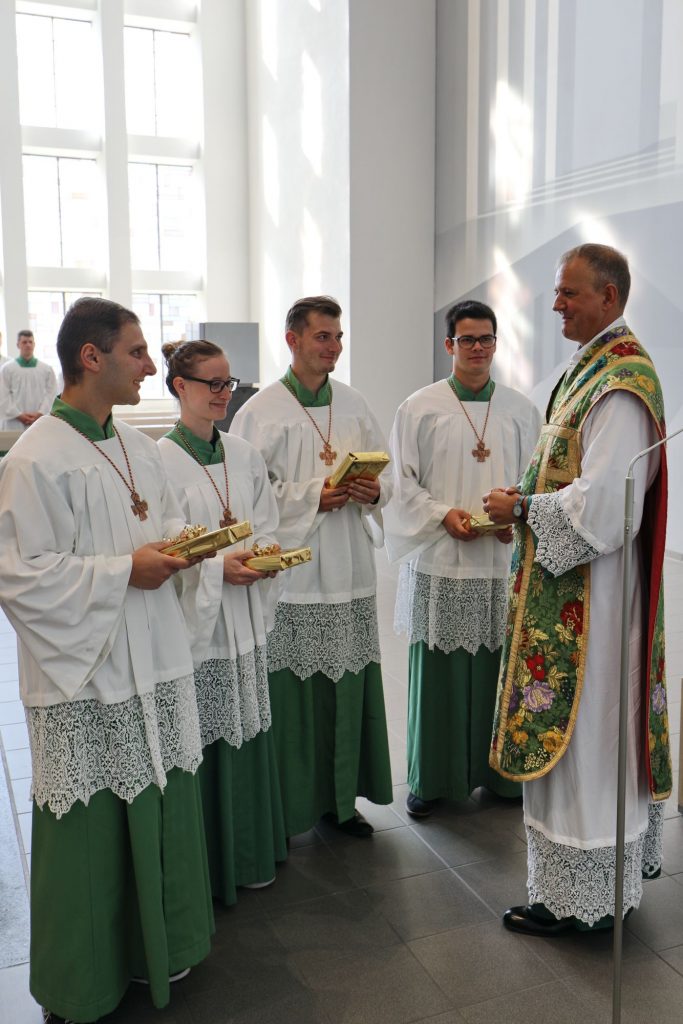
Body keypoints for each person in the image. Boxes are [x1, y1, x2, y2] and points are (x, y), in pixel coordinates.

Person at [0, 298, 214, 1023]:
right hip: (88, 677)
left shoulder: (136, 448)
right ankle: (83, 982)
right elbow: (20, 576)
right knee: (90, 830)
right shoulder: (34, 459)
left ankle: (161, 948)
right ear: (91, 358)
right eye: (137, 352)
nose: (151, 366)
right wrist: (125, 570)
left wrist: (190, 548)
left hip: (153, 657)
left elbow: (163, 524)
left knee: (161, 800)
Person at [484, 244, 671, 935]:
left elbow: (607, 508)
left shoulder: (619, 382)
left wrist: (522, 509)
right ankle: (575, 891)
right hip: (576, 589)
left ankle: (583, 904)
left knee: (589, 740)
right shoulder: (589, 368)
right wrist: (527, 498)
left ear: (609, 297)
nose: (556, 303)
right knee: (583, 744)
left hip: (593, 602)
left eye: (569, 292)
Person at [231, 295, 393, 838]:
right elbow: (247, 497)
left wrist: (373, 491)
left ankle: (341, 803)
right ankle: (291, 807)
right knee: (294, 694)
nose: (334, 347)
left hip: (349, 567)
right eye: (323, 336)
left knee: (347, 686)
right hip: (296, 573)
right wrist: (311, 497)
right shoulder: (260, 412)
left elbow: (387, 477)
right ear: (293, 339)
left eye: (338, 337)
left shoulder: (354, 403)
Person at [384, 300, 541, 817]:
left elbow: (538, 482)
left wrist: (518, 515)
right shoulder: (420, 407)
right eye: (467, 339)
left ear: (496, 344)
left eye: (486, 339)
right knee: (440, 674)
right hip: (441, 560)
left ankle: (501, 778)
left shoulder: (521, 410)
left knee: (502, 669)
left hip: (500, 562)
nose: (477, 348)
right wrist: (442, 514)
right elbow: (400, 484)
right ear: (449, 344)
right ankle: (432, 779)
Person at [158, 339, 287, 902]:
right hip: (201, 625)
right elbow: (165, 545)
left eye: (228, 383)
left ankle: (250, 853)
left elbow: (268, 521)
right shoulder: (158, 461)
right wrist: (216, 569)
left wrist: (264, 554)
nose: (223, 394)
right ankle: (210, 865)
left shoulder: (244, 453)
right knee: (206, 735)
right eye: (211, 383)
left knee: (247, 727)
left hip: (245, 613)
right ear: (179, 386)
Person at [0, 329, 57, 430]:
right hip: (14, 422)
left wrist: (40, 413)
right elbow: (3, 395)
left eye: (30, 342)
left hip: (39, 421)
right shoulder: (7, 369)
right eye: (24, 342)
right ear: (18, 345)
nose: (28, 345)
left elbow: (51, 393)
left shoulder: (46, 369)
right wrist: (19, 415)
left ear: (34, 344)